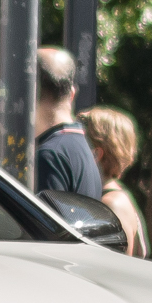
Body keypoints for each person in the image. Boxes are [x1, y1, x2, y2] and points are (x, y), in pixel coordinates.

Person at [77, 106, 149, 257]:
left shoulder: (111, 205)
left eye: (79, 145)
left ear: (98, 153)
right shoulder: (111, 198)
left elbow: (115, 267)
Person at [31, 48, 101, 198]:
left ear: (30, 93)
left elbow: (44, 221)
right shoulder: (80, 145)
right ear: (72, 93)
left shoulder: (49, 155)